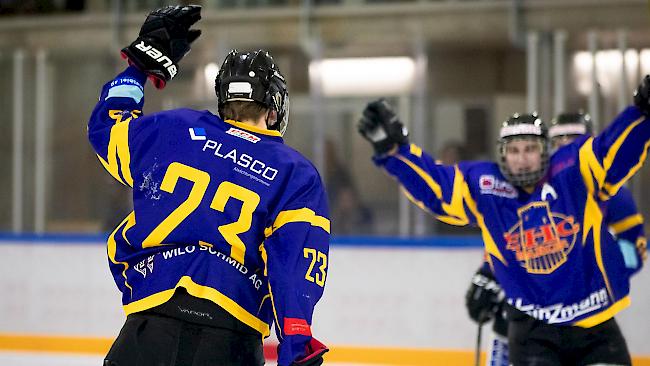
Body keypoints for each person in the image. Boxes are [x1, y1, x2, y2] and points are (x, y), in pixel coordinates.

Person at [88, 5, 329, 366]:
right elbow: (293, 264)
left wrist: (137, 68)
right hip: (228, 342)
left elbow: (106, 130)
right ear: (275, 109)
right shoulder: (294, 171)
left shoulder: (174, 129)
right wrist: (296, 341)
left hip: (145, 333)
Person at [357, 80, 650, 365]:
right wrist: (396, 154)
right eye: (514, 151)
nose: (522, 160)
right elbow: (437, 187)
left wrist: (641, 116)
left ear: (544, 151)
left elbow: (613, 150)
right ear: (503, 154)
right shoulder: (487, 187)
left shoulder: (575, 171)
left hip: (594, 327)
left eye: (530, 149)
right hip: (533, 330)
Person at [463, 112, 647, 366]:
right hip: (532, 316)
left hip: (586, 310)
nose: (565, 145)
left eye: (573, 138)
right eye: (558, 139)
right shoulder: (525, 189)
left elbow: (636, 249)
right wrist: (490, 274)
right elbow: (511, 245)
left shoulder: (611, 191)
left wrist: (592, 267)